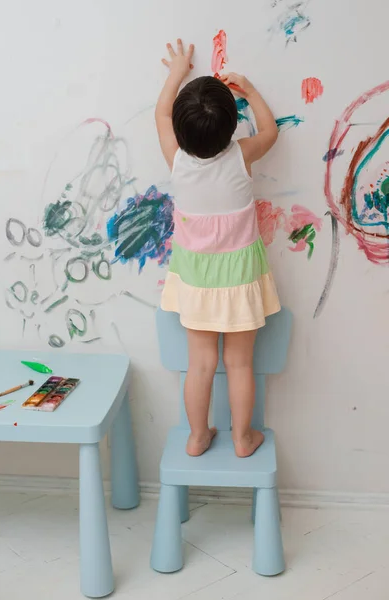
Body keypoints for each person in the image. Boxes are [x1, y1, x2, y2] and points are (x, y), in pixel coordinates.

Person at [156, 39, 281, 458]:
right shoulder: (242, 155)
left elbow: (160, 113)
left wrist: (177, 72)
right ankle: (243, 439)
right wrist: (251, 91)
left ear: (180, 129)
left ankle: (196, 436)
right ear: (231, 127)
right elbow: (271, 132)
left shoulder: (176, 159)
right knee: (241, 364)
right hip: (240, 276)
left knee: (202, 364)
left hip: (195, 278)